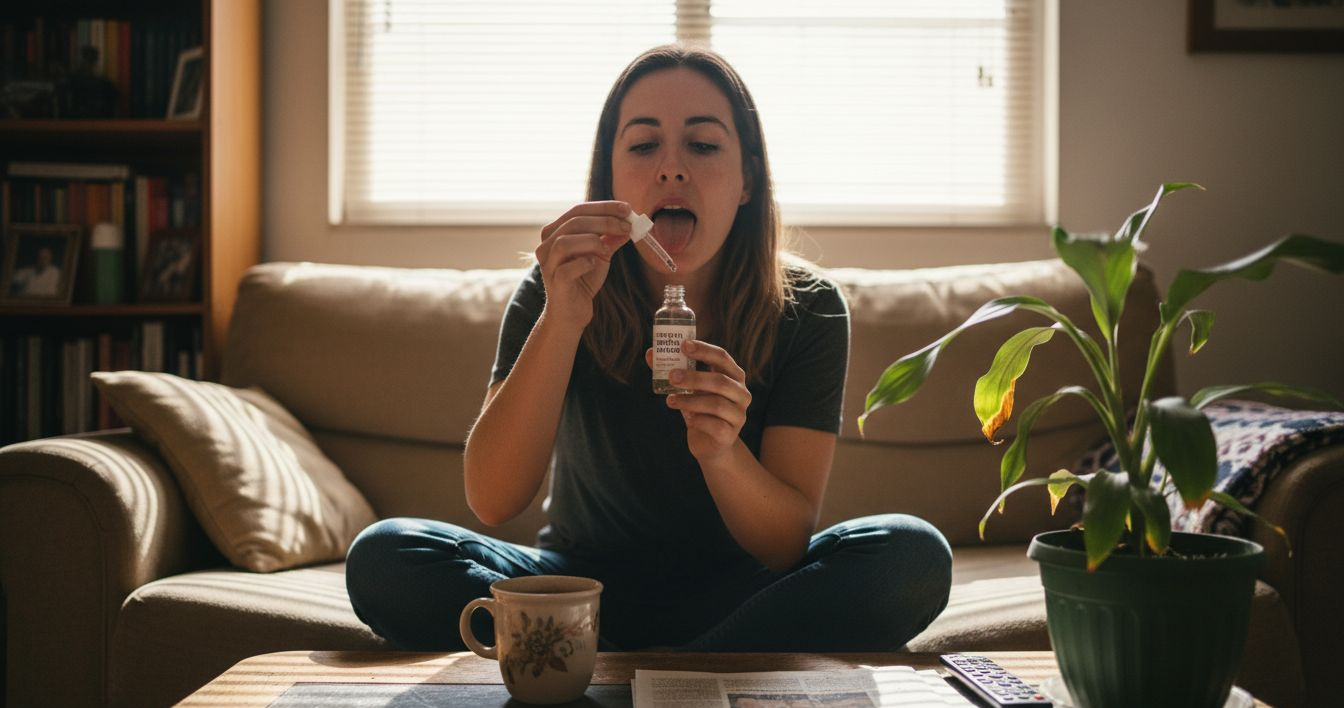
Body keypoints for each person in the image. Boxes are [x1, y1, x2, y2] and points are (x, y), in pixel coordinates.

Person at [346, 45, 952, 652]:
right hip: (575, 589)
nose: (671, 168)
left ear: (747, 180)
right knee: (387, 556)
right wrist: (562, 319)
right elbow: (493, 499)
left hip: (741, 594)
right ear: (610, 179)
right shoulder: (556, 287)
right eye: (642, 146)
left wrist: (722, 453)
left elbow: (784, 544)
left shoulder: (809, 307)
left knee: (911, 555)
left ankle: (616, 667)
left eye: (704, 145)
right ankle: (694, 668)